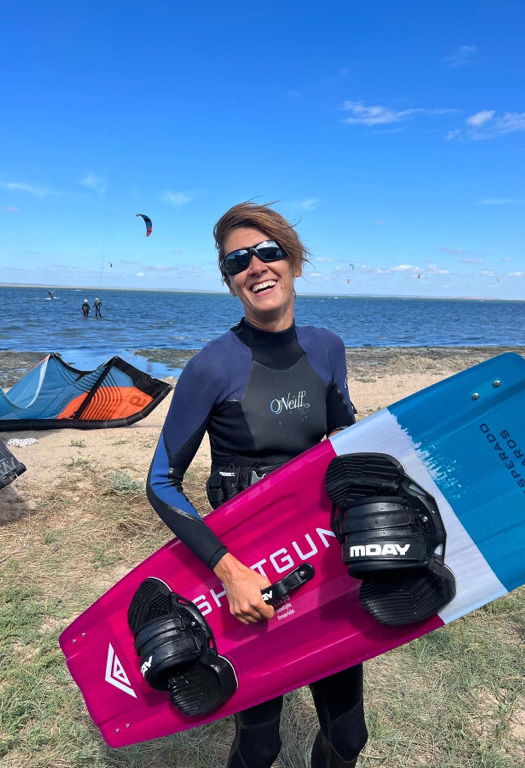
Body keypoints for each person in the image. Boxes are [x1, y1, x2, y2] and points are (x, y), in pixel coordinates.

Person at [147, 202, 368, 768]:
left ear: (293, 261)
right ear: (229, 280)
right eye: (237, 261)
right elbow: (162, 482)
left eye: (268, 252)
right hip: (250, 575)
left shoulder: (328, 347)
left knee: (348, 736)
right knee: (261, 742)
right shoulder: (211, 366)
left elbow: (345, 438)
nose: (255, 267)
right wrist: (230, 572)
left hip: (325, 560)